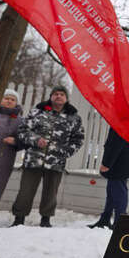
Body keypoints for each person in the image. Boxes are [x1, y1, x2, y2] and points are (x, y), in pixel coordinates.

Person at [11, 85, 84, 228]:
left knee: (51, 193)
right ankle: (19, 219)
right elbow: (23, 130)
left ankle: (46, 219)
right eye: (55, 94)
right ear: (51, 97)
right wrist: (35, 140)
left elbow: (78, 139)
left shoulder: (74, 118)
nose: (58, 96)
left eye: (62, 94)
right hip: (33, 159)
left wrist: (64, 152)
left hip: (56, 162)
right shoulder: (37, 112)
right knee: (25, 191)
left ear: (66, 99)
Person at [0, 89, 23, 230]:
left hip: (3, 160)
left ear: (16, 103)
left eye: (12, 99)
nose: (9, 101)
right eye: (6, 98)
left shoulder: (19, 121)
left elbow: (24, 139)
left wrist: (15, 141)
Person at [88, 127, 129, 229]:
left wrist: (107, 163)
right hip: (121, 161)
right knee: (112, 192)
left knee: (118, 193)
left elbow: (117, 143)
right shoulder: (125, 120)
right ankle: (105, 219)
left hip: (119, 162)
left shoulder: (122, 122)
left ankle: (119, 222)